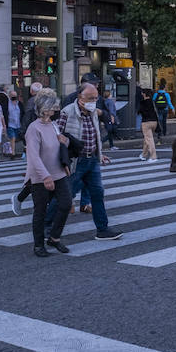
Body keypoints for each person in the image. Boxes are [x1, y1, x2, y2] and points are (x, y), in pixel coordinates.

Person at [57, 83, 122, 240]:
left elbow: (95, 134)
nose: (94, 100)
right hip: (76, 161)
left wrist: (99, 154)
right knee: (66, 196)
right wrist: (63, 160)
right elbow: (57, 135)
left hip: (91, 160)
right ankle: (47, 227)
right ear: (80, 97)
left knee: (98, 193)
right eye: (91, 98)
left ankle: (102, 229)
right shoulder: (67, 112)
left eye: (96, 98)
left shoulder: (93, 111)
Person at [24, 90, 73, 257]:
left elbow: (60, 144)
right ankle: (38, 245)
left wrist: (64, 142)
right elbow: (33, 156)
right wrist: (45, 176)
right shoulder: (33, 129)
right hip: (40, 177)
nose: (56, 108)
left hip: (59, 173)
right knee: (40, 211)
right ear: (44, 108)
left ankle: (54, 237)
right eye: (53, 105)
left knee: (66, 204)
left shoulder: (53, 124)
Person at [137, 87, 160, 162]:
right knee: (147, 139)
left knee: (149, 139)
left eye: (142, 93)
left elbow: (139, 111)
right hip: (154, 122)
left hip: (146, 122)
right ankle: (143, 154)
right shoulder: (153, 102)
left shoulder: (142, 102)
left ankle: (153, 156)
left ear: (144, 94)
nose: (141, 94)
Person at [5, 89, 22, 159]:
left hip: (18, 124)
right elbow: (5, 113)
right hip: (10, 124)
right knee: (12, 138)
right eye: (12, 96)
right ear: (9, 96)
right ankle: (13, 153)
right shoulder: (7, 104)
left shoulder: (19, 103)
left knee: (17, 139)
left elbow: (22, 112)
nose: (14, 97)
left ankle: (11, 148)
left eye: (15, 96)